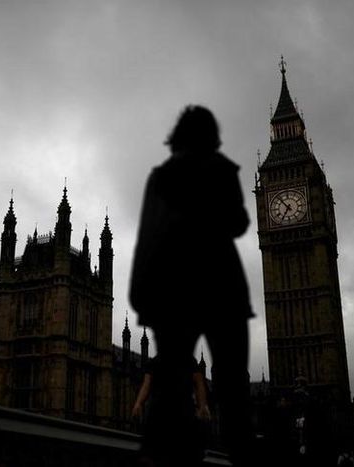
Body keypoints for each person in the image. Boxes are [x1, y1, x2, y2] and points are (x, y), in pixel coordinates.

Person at [130, 105, 255, 467]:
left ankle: (158, 457)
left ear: (177, 136)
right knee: (233, 388)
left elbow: (146, 238)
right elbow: (239, 223)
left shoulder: (161, 176)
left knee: (168, 389)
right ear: (212, 136)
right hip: (223, 290)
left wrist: (142, 298)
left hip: (174, 294)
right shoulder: (222, 169)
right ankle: (243, 457)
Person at [132, 355, 211, 466]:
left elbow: (199, 383)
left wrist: (203, 405)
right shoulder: (154, 362)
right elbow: (146, 385)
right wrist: (138, 403)